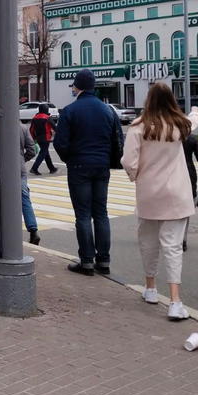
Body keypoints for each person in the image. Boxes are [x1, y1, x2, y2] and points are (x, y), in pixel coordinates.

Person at [121, 83, 198, 320]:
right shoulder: (180, 126)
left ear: (149, 100)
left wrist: (137, 177)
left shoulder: (138, 128)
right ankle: (175, 302)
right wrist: (196, 110)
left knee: (148, 243)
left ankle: (150, 288)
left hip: (149, 194)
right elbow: (194, 119)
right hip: (177, 195)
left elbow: (128, 162)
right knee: (173, 247)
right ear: (171, 101)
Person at [53, 68, 123, 276]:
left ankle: (86, 261)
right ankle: (104, 260)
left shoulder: (70, 111)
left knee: (83, 215)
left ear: (77, 86)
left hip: (79, 167)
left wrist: (71, 159)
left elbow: (60, 143)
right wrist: (108, 161)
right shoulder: (108, 110)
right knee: (101, 213)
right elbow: (117, 140)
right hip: (101, 167)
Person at [20, 124, 41, 245]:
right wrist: (22, 159)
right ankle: (33, 231)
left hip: (1, 168)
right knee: (25, 198)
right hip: (19, 168)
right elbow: (32, 150)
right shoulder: (23, 128)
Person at [28, 104, 58, 175]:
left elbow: (31, 129)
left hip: (38, 138)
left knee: (45, 153)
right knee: (43, 153)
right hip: (46, 138)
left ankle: (52, 168)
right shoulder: (47, 118)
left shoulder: (35, 117)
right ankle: (34, 168)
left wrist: (33, 138)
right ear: (46, 109)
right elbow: (55, 127)